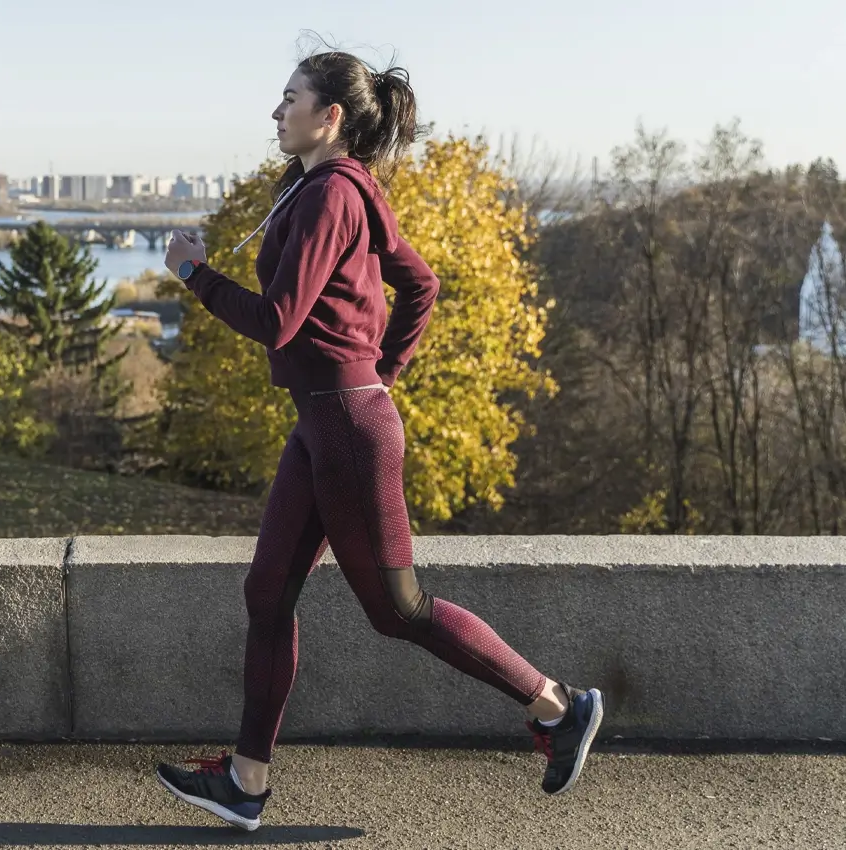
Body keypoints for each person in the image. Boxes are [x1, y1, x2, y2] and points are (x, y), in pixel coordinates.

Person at [152, 49, 604, 833]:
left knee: (400, 609)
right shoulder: (330, 187)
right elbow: (418, 284)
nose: (275, 112)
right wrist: (378, 373)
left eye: (288, 98)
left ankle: (559, 706)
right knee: (267, 593)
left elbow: (277, 321)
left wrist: (194, 275)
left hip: (349, 428)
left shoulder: (332, 193)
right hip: (326, 418)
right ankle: (246, 781)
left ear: (329, 116)